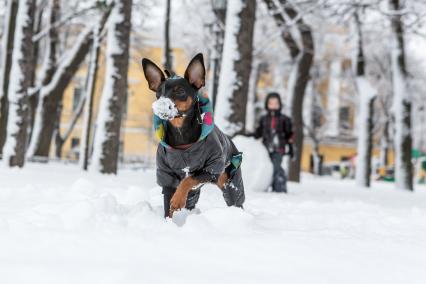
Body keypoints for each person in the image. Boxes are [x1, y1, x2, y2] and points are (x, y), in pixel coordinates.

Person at [253, 92, 294, 193]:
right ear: (267, 104)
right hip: (266, 147)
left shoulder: (284, 119)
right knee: (268, 167)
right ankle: (267, 185)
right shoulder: (263, 119)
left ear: (279, 104)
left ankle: (280, 187)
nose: (273, 105)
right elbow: (258, 133)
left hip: (279, 147)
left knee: (276, 166)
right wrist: (249, 135)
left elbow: (289, 134)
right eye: (271, 103)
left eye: (276, 103)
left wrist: (291, 147)